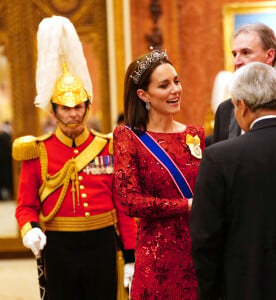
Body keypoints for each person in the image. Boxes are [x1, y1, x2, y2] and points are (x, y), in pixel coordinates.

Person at [13, 16, 137, 300]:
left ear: (87, 107)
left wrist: (130, 254)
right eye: (65, 109)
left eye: (78, 107)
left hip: (101, 242)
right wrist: (30, 229)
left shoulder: (107, 146)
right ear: (53, 111)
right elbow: (25, 206)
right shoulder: (37, 150)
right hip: (58, 244)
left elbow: (123, 207)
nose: (73, 114)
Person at [190, 61, 276, 300]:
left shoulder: (219, 158)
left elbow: (205, 240)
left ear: (241, 106)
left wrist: (209, 292)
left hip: (244, 286)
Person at [113, 48, 205, 299]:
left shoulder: (195, 134)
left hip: (199, 253)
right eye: (164, 85)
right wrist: (186, 205)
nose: (175, 90)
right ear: (143, 94)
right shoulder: (128, 137)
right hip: (157, 259)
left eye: (176, 81)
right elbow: (130, 201)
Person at [213, 23, 276, 143]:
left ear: (269, 56)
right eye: (235, 54)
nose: (237, 61)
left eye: (246, 52)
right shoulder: (224, 110)